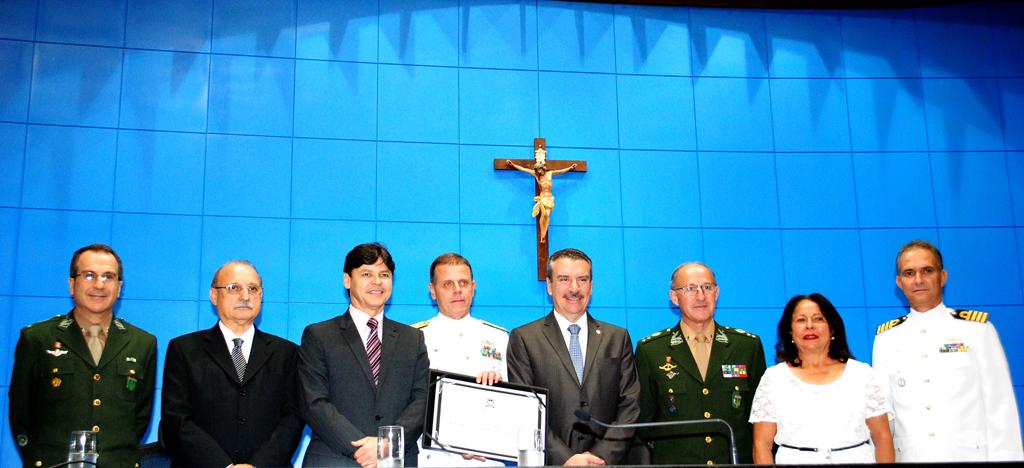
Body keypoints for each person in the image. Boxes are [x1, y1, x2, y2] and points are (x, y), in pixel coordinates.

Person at [872, 240, 1023, 461]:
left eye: (927, 271)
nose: (919, 280)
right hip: (912, 460)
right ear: (899, 282)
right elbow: (885, 415)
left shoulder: (977, 330)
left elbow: (1001, 406)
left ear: (943, 277)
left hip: (969, 459)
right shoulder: (886, 339)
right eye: (909, 273)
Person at [8, 244, 157, 467]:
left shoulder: (142, 343)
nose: (99, 284)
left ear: (119, 287)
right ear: (71, 284)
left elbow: (139, 418)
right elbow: (21, 412)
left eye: (108, 276)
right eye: (89, 275)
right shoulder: (37, 338)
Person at [298, 243, 430, 467]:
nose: (377, 282)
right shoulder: (318, 335)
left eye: (384, 274)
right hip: (335, 459)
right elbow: (314, 403)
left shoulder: (412, 339)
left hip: (396, 460)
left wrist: (386, 445)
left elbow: (422, 400)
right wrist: (362, 448)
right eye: (366, 273)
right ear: (347, 280)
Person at [160, 260, 303, 466]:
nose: (245, 296)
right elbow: (176, 420)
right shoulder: (184, 349)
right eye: (233, 288)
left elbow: (293, 419)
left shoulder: (287, 353)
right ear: (214, 295)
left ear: (261, 296)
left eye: (252, 289)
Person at [507, 248, 640, 466]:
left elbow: (630, 405)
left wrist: (601, 457)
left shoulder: (617, 337)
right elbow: (525, 409)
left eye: (582, 279)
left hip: (607, 463)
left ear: (591, 285)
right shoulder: (524, 339)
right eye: (564, 279)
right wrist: (566, 459)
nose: (574, 288)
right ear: (549, 286)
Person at [635, 262, 766, 465]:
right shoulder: (651, 350)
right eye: (690, 288)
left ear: (717, 293)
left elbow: (760, 420)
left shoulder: (747, 346)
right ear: (674, 298)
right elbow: (644, 425)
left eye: (707, 287)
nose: (700, 296)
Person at [750, 293, 894, 464]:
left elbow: (883, 438)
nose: (810, 326)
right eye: (801, 320)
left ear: (832, 328)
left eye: (818, 319)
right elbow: (761, 445)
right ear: (789, 331)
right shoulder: (774, 378)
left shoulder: (862, 374)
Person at [412, 253, 508, 467]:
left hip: (487, 459)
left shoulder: (500, 338)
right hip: (434, 460)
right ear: (432, 291)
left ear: (473, 288)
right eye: (447, 284)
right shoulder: (413, 338)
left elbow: (516, 407)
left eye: (463, 283)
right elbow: (405, 405)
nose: (457, 290)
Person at [505, 149, 577, 244]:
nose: (539, 171)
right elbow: (524, 169)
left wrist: (570, 168)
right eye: (537, 170)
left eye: (540, 169)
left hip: (550, 199)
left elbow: (561, 171)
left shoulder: (550, 174)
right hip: (543, 198)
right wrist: (513, 165)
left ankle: (544, 232)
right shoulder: (536, 175)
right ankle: (543, 234)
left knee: (547, 214)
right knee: (545, 214)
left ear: (543, 168)